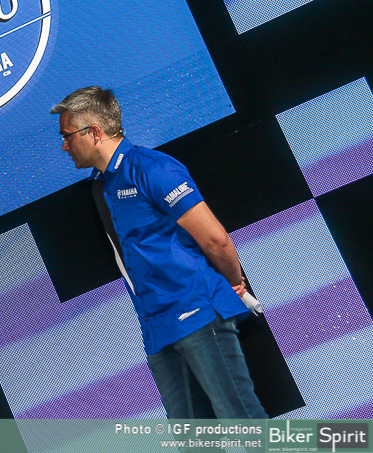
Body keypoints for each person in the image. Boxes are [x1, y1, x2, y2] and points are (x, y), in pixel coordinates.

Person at [50, 86, 267, 421]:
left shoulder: (153, 168)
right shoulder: (102, 184)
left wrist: (234, 283)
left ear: (94, 132)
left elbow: (216, 239)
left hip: (197, 313)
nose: (64, 146)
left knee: (243, 421)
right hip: (156, 330)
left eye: (67, 136)